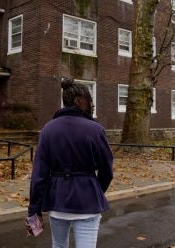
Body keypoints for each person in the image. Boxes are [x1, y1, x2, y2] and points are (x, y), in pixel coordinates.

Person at [27, 78, 113, 248]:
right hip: (88, 203)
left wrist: (34, 209)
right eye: (90, 101)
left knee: (58, 245)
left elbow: (39, 174)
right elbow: (107, 171)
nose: (92, 105)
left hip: (58, 203)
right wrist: (94, 189)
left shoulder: (48, 130)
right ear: (79, 101)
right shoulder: (96, 130)